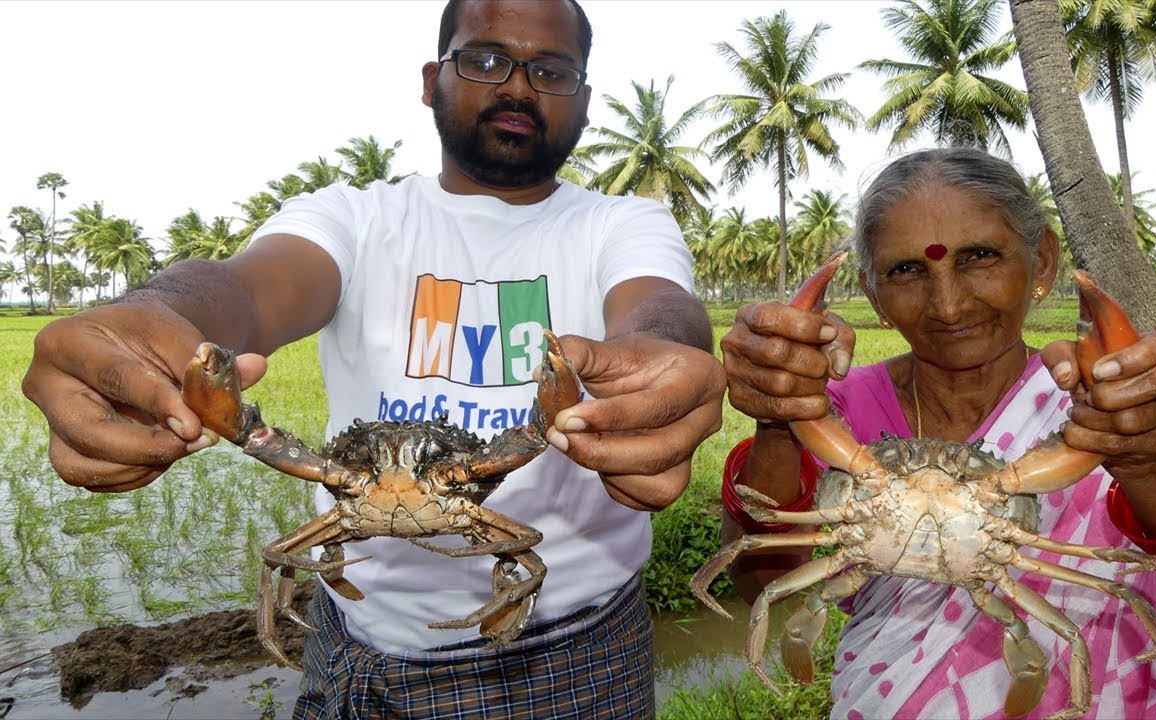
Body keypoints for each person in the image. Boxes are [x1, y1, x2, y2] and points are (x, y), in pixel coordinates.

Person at [21, 0, 726, 717]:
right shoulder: (351, 218)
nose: (517, 87)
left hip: (568, 656)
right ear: (431, 79)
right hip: (345, 641)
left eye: (550, 70)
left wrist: (664, 353)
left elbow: (660, 308)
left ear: (582, 98)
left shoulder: (624, 222)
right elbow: (246, 285)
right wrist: (159, 312)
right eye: (485, 59)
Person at [716, 147, 1156, 719]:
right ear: (872, 292)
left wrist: (1140, 463)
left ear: (1043, 263)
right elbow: (759, 577)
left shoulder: (1107, 405)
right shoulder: (831, 408)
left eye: (980, 256)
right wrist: (780, 422)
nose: (949, 303)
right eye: (907, 270)